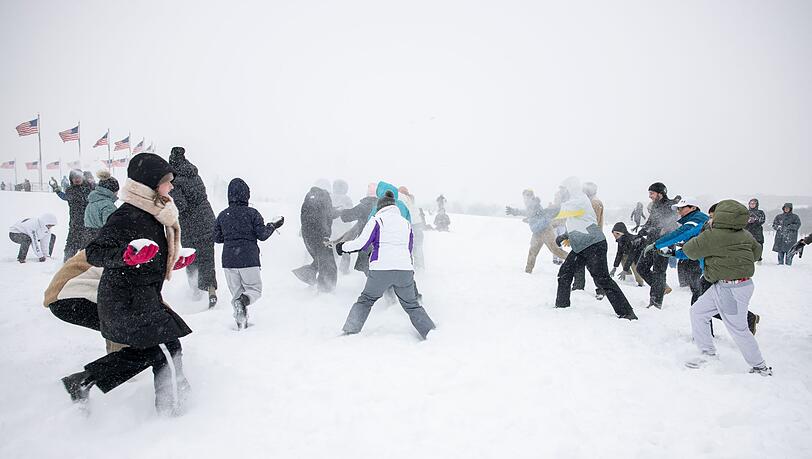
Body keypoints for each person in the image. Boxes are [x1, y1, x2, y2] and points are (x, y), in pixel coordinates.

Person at [59, 152, 197, 415]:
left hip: (140, 297)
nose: (172, 186)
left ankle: (83, 382)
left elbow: (148, 253)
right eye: (167, 181)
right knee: (167, 348)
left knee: (150, 351)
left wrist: (171, 261)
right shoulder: (128, 215)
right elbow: (95, 252)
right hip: (126, 300)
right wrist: (125, 256)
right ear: (151, 184)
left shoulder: (154, 213)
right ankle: (176, 414)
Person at [681, 200, 771, 375]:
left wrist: (706, 233)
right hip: (731, 285)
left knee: (738, 329)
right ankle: (708, 354)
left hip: (731, 288)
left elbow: (690, 250)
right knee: (698, 312)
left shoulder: (713, 234)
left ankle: (760, 367)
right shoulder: (745, 234)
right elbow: (756, 253)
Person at [336, 190, 436, 339]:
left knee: (366, 300)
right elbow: (409, 248)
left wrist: (342, 247)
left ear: (380, 207)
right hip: (404, 271)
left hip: (381, 270)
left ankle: (350, 330)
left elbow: (362, 243)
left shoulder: (377, 220)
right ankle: (430, 332)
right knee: (412, 305)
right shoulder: (406, 223)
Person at [553, 177, 637, 320]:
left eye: (562, 189)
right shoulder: (574, 202)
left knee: (603, 278)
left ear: (570, 189)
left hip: (594, 245)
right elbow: (579, 223)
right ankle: (562, 307)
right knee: (565, 273)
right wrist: (565, 236)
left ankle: (627, 312)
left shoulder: (579, 200)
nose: (560, 192)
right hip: (581, 246)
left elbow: (555, 213)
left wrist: (522, 211)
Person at [214, 178, 284, 329]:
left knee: (236, 293)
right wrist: (272, 225)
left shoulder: (222, 215)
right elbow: (262, 235)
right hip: (248, 259)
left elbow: (217, 238)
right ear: (247, 195)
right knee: (254, 290)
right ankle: (243, 304)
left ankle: (241, 322)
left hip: (228, 260)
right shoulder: (252, 214)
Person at [169, 147, 219, 307]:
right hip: (207, 220)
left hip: (191, 225)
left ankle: (195, 292)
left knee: (191, 258)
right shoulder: (194, 174)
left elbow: (181, 205)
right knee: (207, 259)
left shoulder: (175, 181)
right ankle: (211, 291)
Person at [645, 197, 708, 305]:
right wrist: (674, 253)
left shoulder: (697, 220)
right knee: (701, 305)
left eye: (682, 208)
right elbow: (693, 249)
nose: (679, 211)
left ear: (693, 208)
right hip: (709, 267)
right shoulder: (694, 221)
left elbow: (679, 234)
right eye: (678, 209)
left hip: (715, 267)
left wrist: (657, 244)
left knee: (702, 304)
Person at [636, 182, 680, 309]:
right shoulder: (655, 206)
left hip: (664, 244)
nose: (650, 196)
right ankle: (661, 288)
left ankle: (655, 302)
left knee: (659, 272)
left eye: (652, 193)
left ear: (661, 193)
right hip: (651, 243)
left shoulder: (670, 206)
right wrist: (644, 229)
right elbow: (650, 221)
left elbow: (669, 226)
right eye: (649, 193)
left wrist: (654, 230)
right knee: (641, 268)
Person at [506, 189, 568, 274]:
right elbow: (532, 215)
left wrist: (515, 212)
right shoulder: (530, 205)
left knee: (555, 250)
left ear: (531, 196)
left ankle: (572, 259)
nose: (525, 198)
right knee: (532, 251)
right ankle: (528, 271)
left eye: (527, 196)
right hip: (536, 233)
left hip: (546, 230)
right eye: (524, 196)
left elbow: (530, 213)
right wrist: (529, 219)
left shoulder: (535, 204)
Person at [294, 185, 337, 292]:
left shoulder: (309, 200)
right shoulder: (323, 199)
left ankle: (310, 275)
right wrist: (325, 235)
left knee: (321, 260)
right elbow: (323, 218)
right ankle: (325, 289)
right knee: (328, 263)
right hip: (320, 236)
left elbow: (316, 216)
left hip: (309, 236)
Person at [572, 182, 605, 298]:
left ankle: (601, 289)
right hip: (585, 238)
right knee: (579, 263)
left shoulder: (594, 202)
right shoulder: (588, 202)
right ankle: (578, 286)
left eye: (584, 190)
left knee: (593, 266)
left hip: (591, 239)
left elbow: (591, 221)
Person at [52, 169, 92, 261]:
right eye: (74, 177)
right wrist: (57, 191)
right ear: (71, 179)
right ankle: (66, 264)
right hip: (75, 224)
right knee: (71, 246)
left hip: (88, 223)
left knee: (87, 246)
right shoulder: (70, 190)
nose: (76, 179)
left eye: (78, 177)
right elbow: (66, 197)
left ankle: (85, 265)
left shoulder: (89, 188)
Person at [83, 170, 119, 241]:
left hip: (89, 239)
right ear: (112, 191)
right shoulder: (108, 206)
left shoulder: (91, 202)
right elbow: (111, 228)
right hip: (102, 241)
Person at [609, 222, 646, 287]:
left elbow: (632, 256)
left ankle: (640, 283)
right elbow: (619, 253)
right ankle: (629, 278)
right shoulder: (621, 240)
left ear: (623, 233)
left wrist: (624, 270)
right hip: (632, 254)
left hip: (642, 253)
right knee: (623, 257)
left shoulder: (631, 240)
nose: (615, 235)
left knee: (634, 264)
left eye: (617, 233)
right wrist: (615, 267)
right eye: (614, 233)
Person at [399, 186, 426, 270]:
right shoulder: (411, 201)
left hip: (409, 226)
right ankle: (420, 268)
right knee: (418, 248)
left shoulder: (401, 199)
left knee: (407, 249)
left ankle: (408, 268)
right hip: (417, 226)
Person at [332, 179, 355, 274]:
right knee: (345, 248)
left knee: (333, 247)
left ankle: (333, 266)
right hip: (344, 227)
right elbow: (351, 213)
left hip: (333, 227)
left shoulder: (330, 198)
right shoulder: (347, 199)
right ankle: (344, 269)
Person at [745, 198, 766, 262]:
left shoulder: (760, 212)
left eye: (753, 203)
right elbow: (741, 221)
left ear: (756, 204)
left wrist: (755, 220)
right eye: (751, 203)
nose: (752, 205)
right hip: (747, 232)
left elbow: (762, 220)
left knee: (758, 246)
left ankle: (759, 258)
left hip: (757, 233)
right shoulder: (746, 212)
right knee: (747, 246)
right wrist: (747, 221)